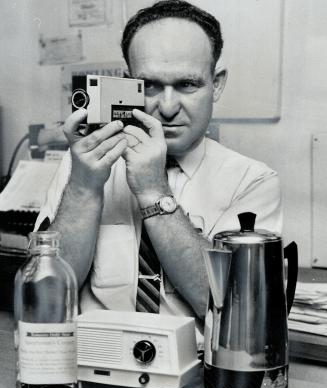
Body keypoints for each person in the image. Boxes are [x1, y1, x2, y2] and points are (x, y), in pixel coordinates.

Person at [35, 0, 282, 330]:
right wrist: (84, 188)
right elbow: (46, 303)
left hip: (198, 374)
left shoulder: (252, 181)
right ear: (127, 85)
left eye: (187, 84)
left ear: (217, 83)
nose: (166, 107)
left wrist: (153, 192)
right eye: (149, 85)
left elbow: (238, 317)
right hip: (95, 368)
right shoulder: (86, 164)